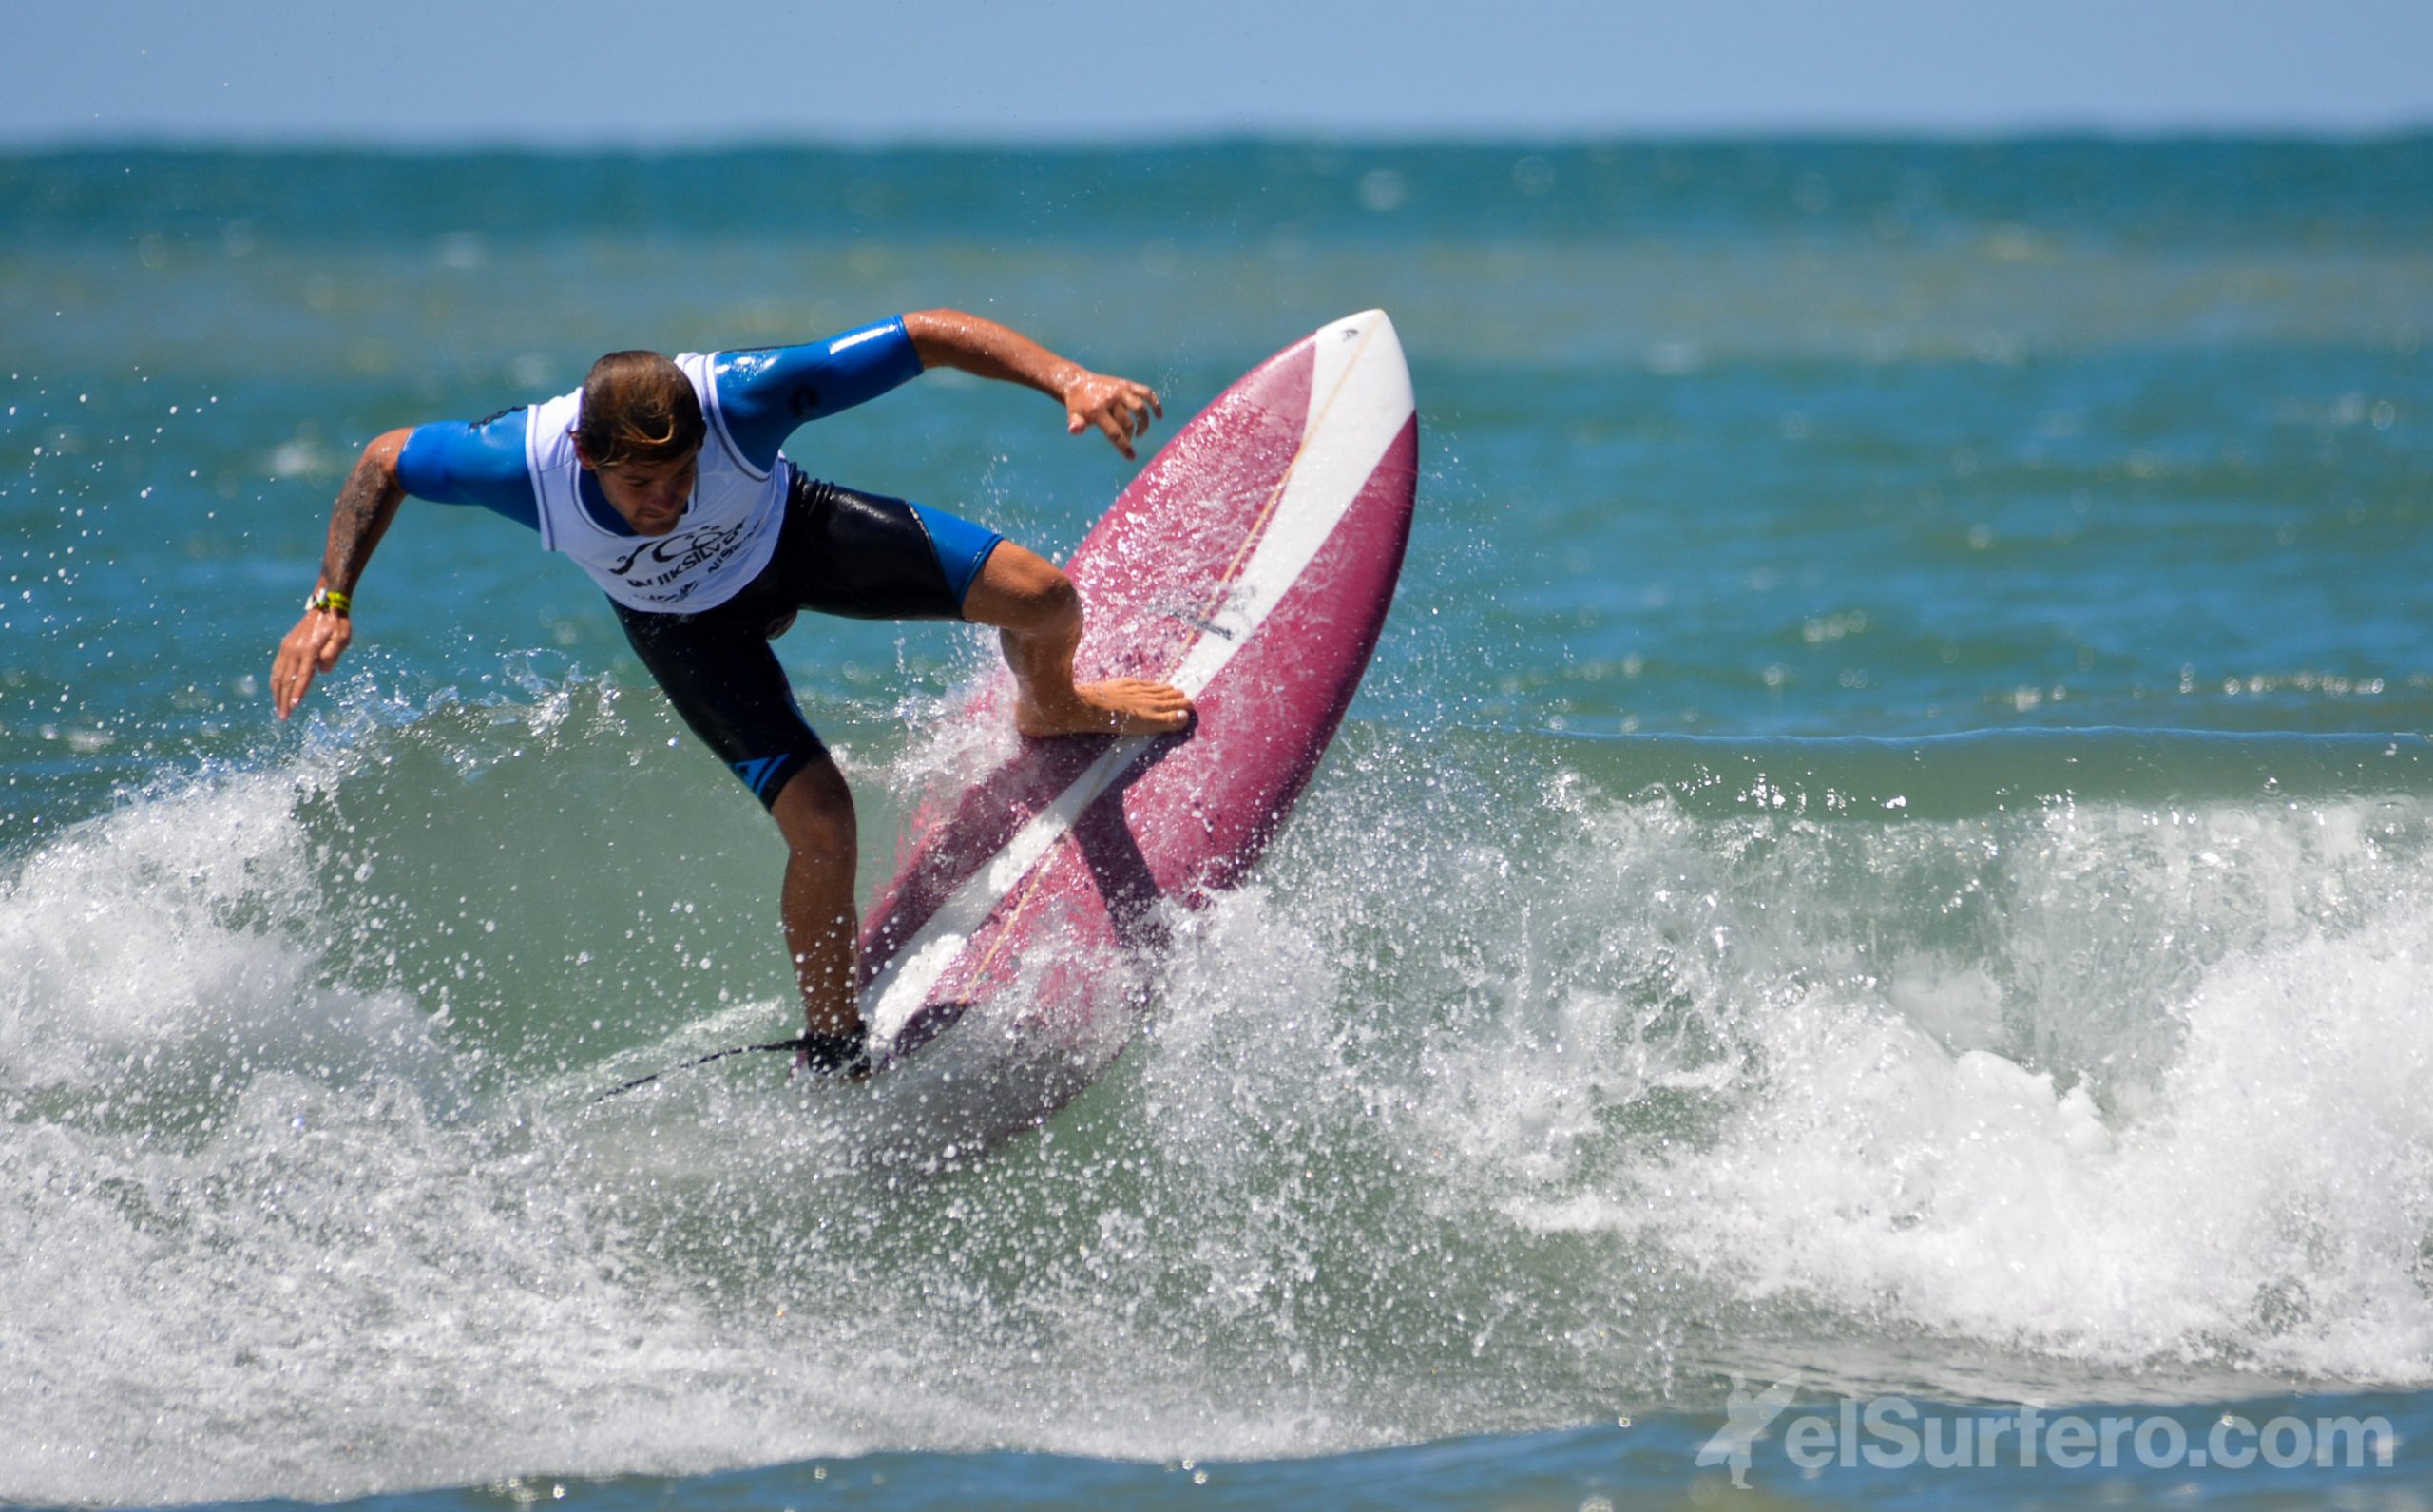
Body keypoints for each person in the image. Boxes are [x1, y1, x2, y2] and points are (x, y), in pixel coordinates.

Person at [269, 310, 1194, 1078]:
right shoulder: (521, 466)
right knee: (822, 819)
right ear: (588, 455)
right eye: (641, 486)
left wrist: (1067, 378)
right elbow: (386, 459)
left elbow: (923, 336)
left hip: (792, 538)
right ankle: (834, 1039)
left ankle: (1052, 705)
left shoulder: (743, 400)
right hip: (685, 626)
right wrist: (329, 600)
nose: (666, 501)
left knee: (1043, 598)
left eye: (681, 477)